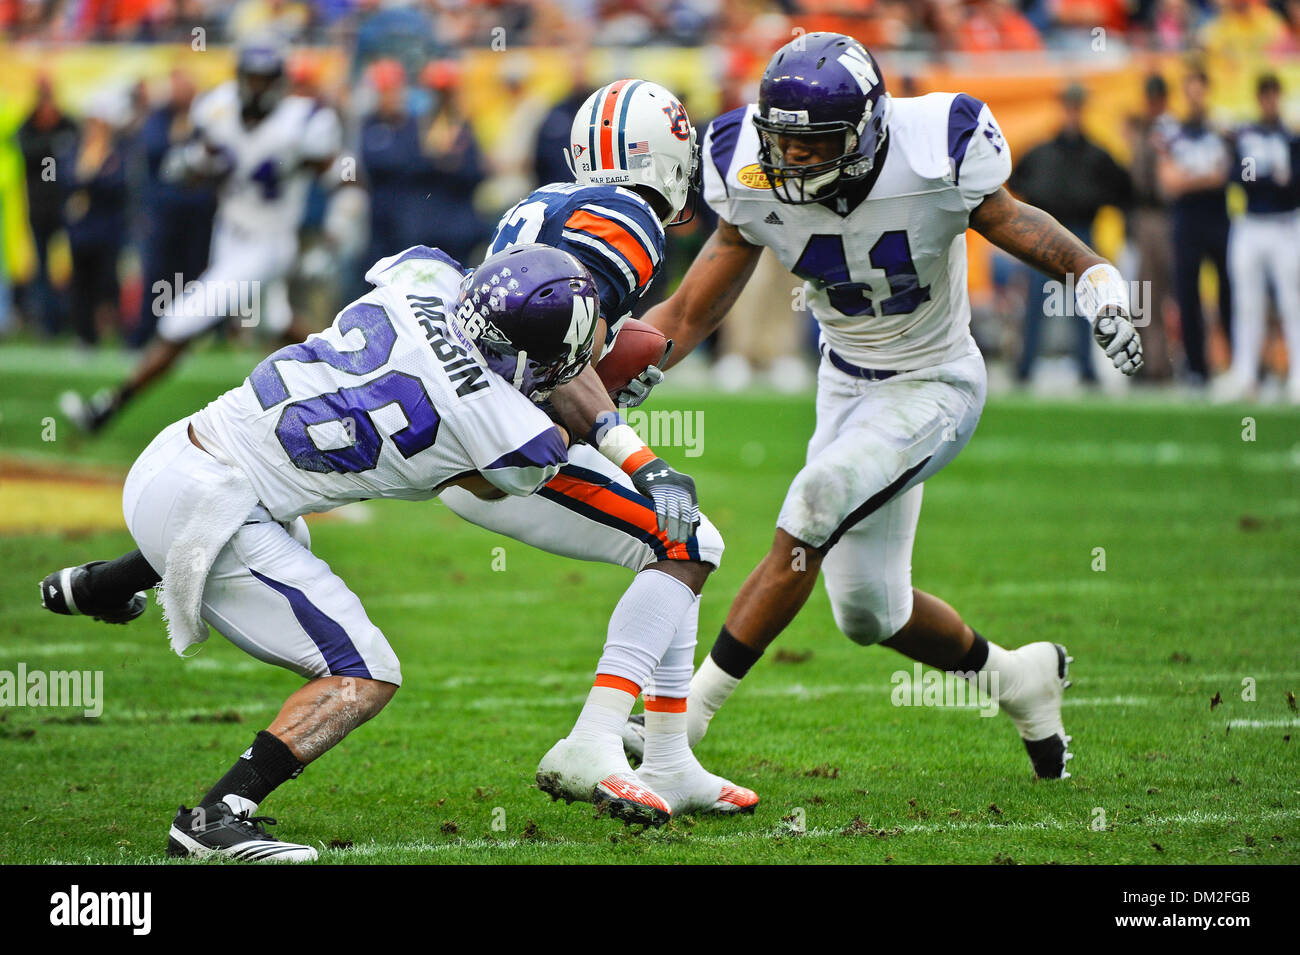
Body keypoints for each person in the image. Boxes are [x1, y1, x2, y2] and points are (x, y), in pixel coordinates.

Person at [42, 80, 750, 824]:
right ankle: (594, 739)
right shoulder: (629, 225)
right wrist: (629, 440)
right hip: (485, 436)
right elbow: (549, 373)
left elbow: (521, 320)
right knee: (675, 537)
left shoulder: (430, 267)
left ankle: (667, 756)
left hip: (223, 444)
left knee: (691, 536)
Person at [621, 33, 1143, 780]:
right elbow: (687, 315)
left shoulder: (937, 149)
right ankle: (1020, 680)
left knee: (816, 498)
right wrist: (609, 374)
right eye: (781, 143)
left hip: (935, 380)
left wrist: (1093, 275)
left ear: (866, 135)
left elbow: (1014, 220)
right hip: (846, 381)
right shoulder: (748, 169)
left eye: (813, 146)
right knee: (869, 612)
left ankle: (683, 720)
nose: (788, 162)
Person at [44, 244, 598, 860]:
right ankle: (213, 818)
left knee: (290, 531)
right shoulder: (508, 427)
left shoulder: (423, 279)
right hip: (207, 511)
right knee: (365, 673)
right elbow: (488, 484)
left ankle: (100, 585)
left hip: (175, 452)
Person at [59, 41, 343, 434]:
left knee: (184, 319)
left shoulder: (303, 120)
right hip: (228, 233)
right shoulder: (219, 108)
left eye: (266, 80)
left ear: (280, 83)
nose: (257, 88)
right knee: (271, 324)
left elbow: (343, 174)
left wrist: (341, 224)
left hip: (271, 242)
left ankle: (106, 408)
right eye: (251, 79)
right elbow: (199, 162)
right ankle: (347, 372)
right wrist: (193, 165)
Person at [1007, 82, 1132, 385]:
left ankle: (1086, 369)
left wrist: (1092, 201)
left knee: (1086, 305)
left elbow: (1123, 187)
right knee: (1036, 302)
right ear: (1062, 108)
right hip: (1045, 234)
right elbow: (1013, 180)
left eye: (1077, 106)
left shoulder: (1096, 154)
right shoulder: (1041, 151)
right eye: (1069, 106)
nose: (1072, 113)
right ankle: (1025, 368)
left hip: (1081, 232)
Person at [1221, 73, 1300, 403]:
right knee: (1246, 302)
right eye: (1264, 94)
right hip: (1251, 224)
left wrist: (1271, 179)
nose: (1269, 100)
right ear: (1258, 98)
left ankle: (1297, 375)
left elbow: (1293, 183)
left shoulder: (1291, 137)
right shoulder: (1247, 135)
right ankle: (1245, 374)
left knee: (1291, 302)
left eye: (1273, 94)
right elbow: (1238, 177)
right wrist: (1272, 179)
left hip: (1285, 225)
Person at [130, 69, 217, 349]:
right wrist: (182, 142)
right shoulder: (160, 117)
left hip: (197, 212)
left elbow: (215, 153)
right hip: (165, 212)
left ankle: (193, 337)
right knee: (158, 273)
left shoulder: (206, 116)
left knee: (195, 276)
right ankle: (148, 333)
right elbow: (154, 150)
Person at [1159, 66, 1232, 386]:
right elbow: (1170, 183)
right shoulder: (1172, 131)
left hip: (1218, 217)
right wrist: (1205, 178)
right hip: (1187, 220)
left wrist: (1192, 178)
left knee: (1230, 292)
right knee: (1187, 294)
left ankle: (1234, 364)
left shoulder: (1222, 129)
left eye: (1200, 88)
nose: (1195, 95)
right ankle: (1196, 367)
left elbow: (1226, 175)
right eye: (1190, 88)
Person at [1125, 72, 1179, 380]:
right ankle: (1153, 363)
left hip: (1169, 215)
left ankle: (1178, 362)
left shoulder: (1170, 131)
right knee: (1146, 295)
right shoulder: (1146, 129)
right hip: (1146, 217)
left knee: (1174, 292)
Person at [16, 73, 76, 337]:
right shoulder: (28, 126)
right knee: (41, 269)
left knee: (75, 263)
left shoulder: (67, 123)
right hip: (39, 209)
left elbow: (76, 149)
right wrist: (52, 145)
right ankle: (47, 324)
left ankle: (73, 320)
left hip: (66, 207)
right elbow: (28, 151)